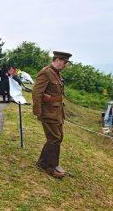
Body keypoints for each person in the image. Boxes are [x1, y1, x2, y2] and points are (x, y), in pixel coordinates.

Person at [32, 51, 72, 179]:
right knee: (55, 138)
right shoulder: (46, 72)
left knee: (57, 138)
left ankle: (42, 162)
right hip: (48, 112)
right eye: (64, 62)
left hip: (57, 111)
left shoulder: (57, 74)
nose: (65, 65)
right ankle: (52, 167)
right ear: (58, 60)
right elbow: (37, 93)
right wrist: (38, 112)